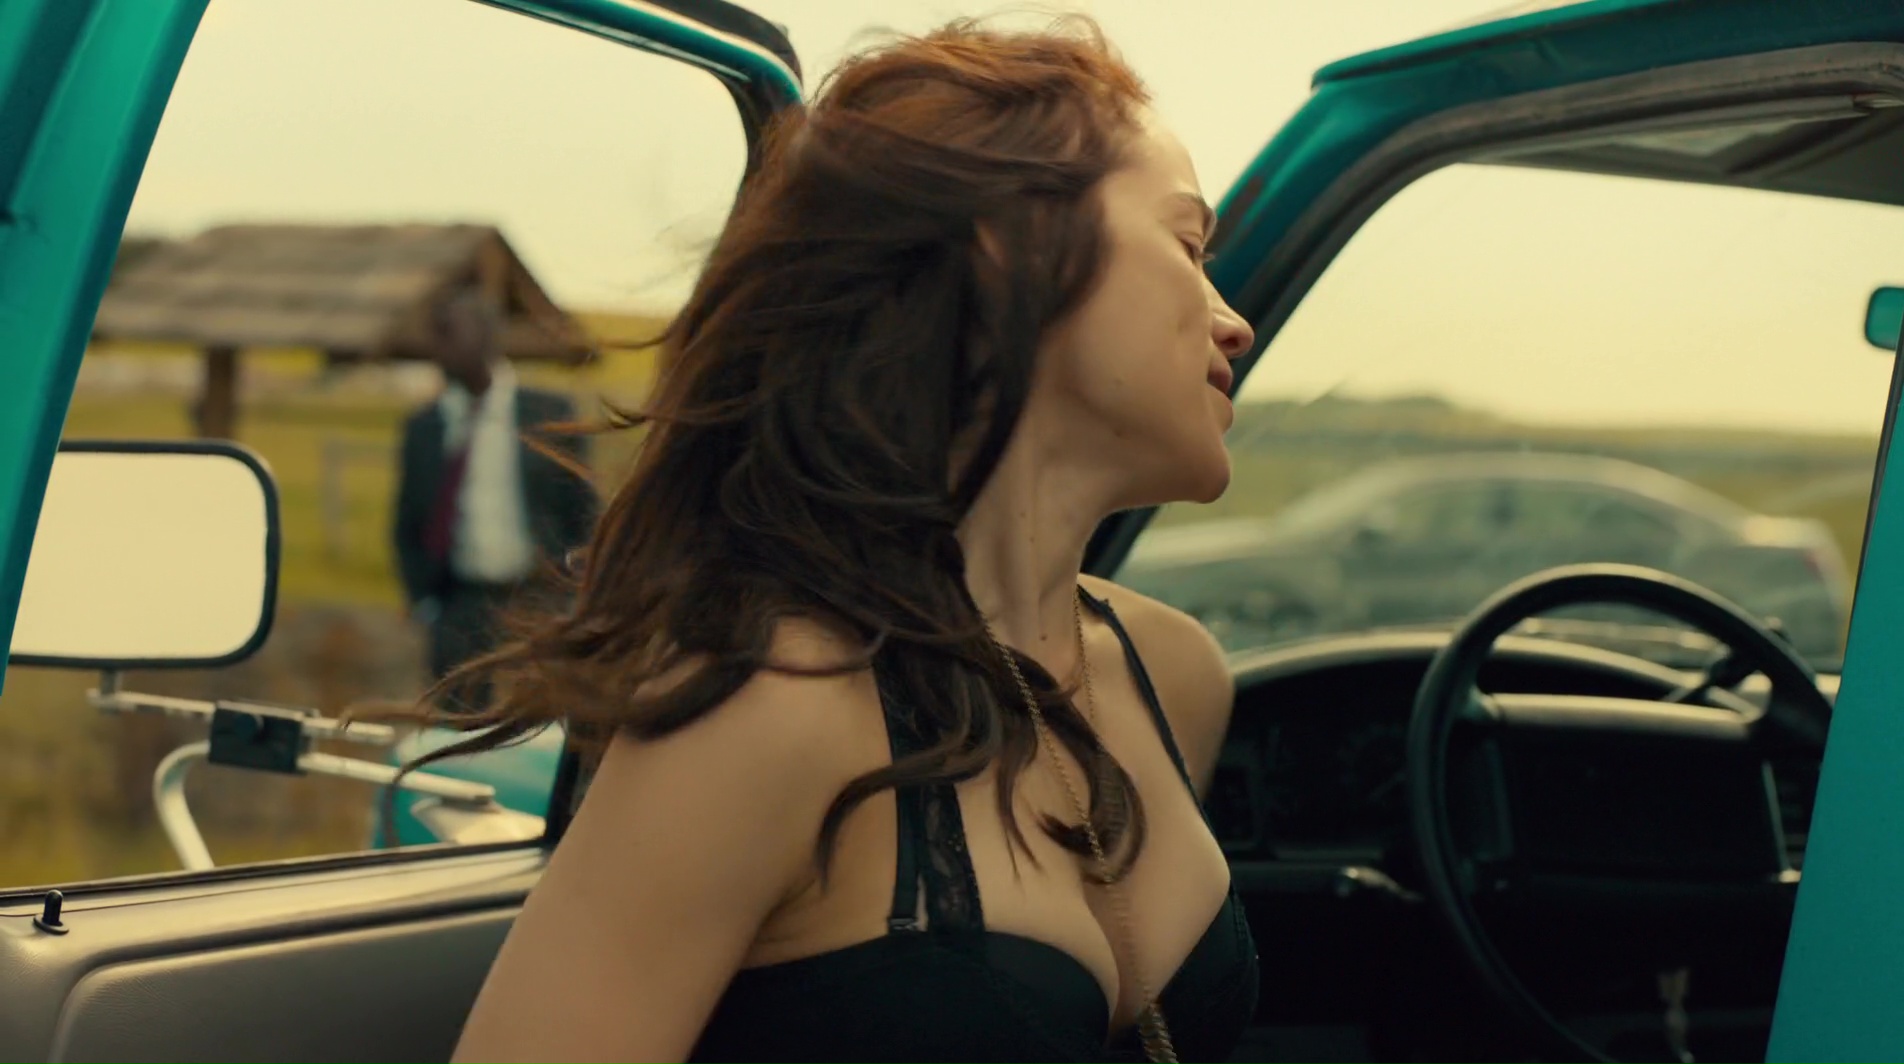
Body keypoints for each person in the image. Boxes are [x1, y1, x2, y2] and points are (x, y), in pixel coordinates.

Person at [405, 16, 1259, 1064]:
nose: (1233, 321)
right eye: (1187, 247)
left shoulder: (1172, 672)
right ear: (1010, 249)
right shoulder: (770, 705)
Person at [391, 287, 597, 710]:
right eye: (437, 335)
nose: (440, 347)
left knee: (543, 717)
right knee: (457, 721)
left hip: (540, 599)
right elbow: (407, 520)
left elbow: (584, 508)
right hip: (460, 603)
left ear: (486, 336)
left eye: (451, 333)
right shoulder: (427, 426)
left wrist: (575, 593)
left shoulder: (548, 414)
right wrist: (425, 602)